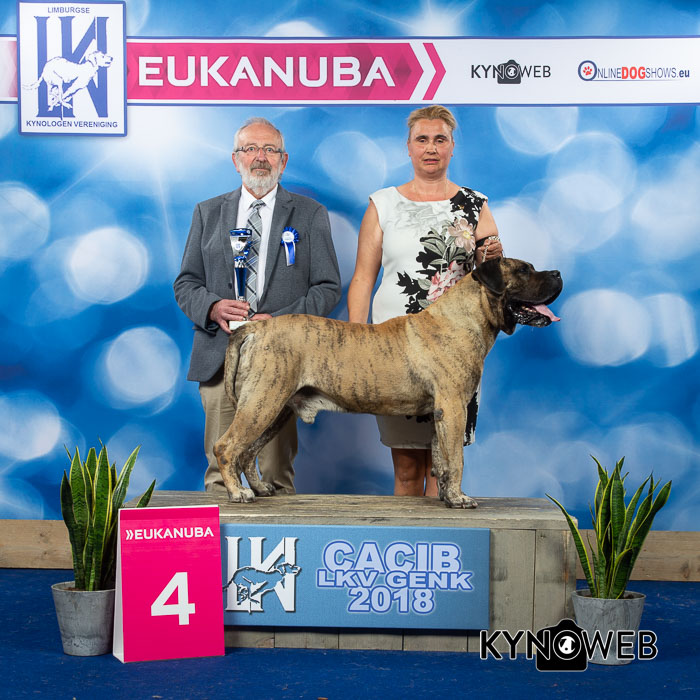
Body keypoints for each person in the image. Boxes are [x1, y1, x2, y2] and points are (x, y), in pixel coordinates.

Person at [174, 117, 341, 495]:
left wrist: (277, 324)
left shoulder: (310, 213)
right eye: (250, 149)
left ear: (284, 160)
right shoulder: (207, 212)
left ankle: (278, 535)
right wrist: (213, 307)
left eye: (269, 149)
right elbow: (186, 284)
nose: (260, 157)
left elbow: (327, 288)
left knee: (275, 472)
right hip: (219, 356)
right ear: (236, 160)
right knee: (222, 469)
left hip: (284, 360)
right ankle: (223, 533)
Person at [347, 105, 503, 498]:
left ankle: (439, 535)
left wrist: (491, 256)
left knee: (443, 467)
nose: (430, 148)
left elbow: (494, 278)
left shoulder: (475, 204)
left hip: (457, 351)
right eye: (422, 139)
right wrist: (353, 340)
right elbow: (363, 277)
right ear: (409, 147)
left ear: (452, 147)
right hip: (393, 351)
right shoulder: (382, 203)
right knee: (405, 468)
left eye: (439, 139)